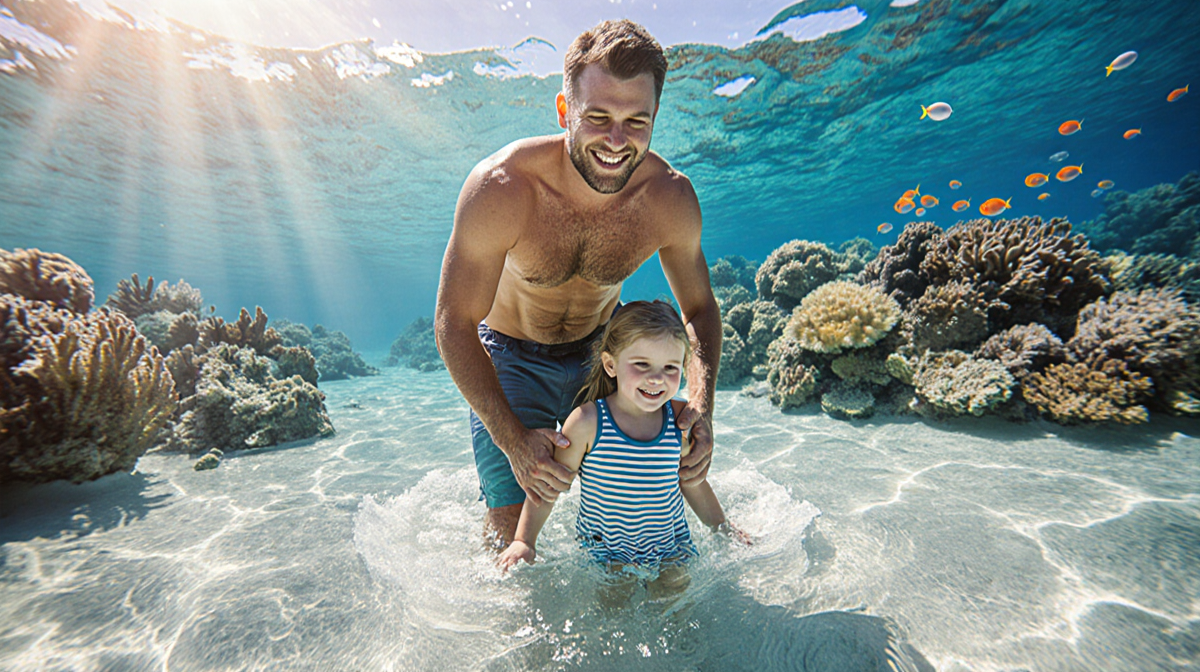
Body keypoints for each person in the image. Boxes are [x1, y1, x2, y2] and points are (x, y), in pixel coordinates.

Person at [434, 19, 723, 547]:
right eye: (598, 117)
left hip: (604, 358)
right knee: (510, 536)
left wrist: (701, 409)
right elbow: (454, 322)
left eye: (637, 120)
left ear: (656, 116)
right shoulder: (501, 189)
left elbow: (700, 310)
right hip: (512, 361)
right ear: (565, 110)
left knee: (653, 505)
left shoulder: (669, 199)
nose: (617, 141)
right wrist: (513, 439)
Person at [496, 301, 746, 576]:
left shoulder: (679, 420)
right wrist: (524, 541)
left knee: (675, 608)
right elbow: (550, 484)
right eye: (642, 364)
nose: (656, 379)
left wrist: (721, 528)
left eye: (670, 368)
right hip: (607, 554)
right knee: (613, 609)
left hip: (670, 550)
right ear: (611, 365)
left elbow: (693, 481)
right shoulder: (587, 422)